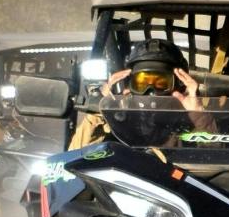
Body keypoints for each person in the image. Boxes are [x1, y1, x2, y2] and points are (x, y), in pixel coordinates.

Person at [68, 37, 204, 149]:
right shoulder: (117, 119)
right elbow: (74, 159)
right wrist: (102, 110)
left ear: (178, 84)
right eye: (142, 82)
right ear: (130, 85)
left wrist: (199, 116)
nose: (151, 91)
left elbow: (215, 159)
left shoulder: (189, 121)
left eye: (161, 83)